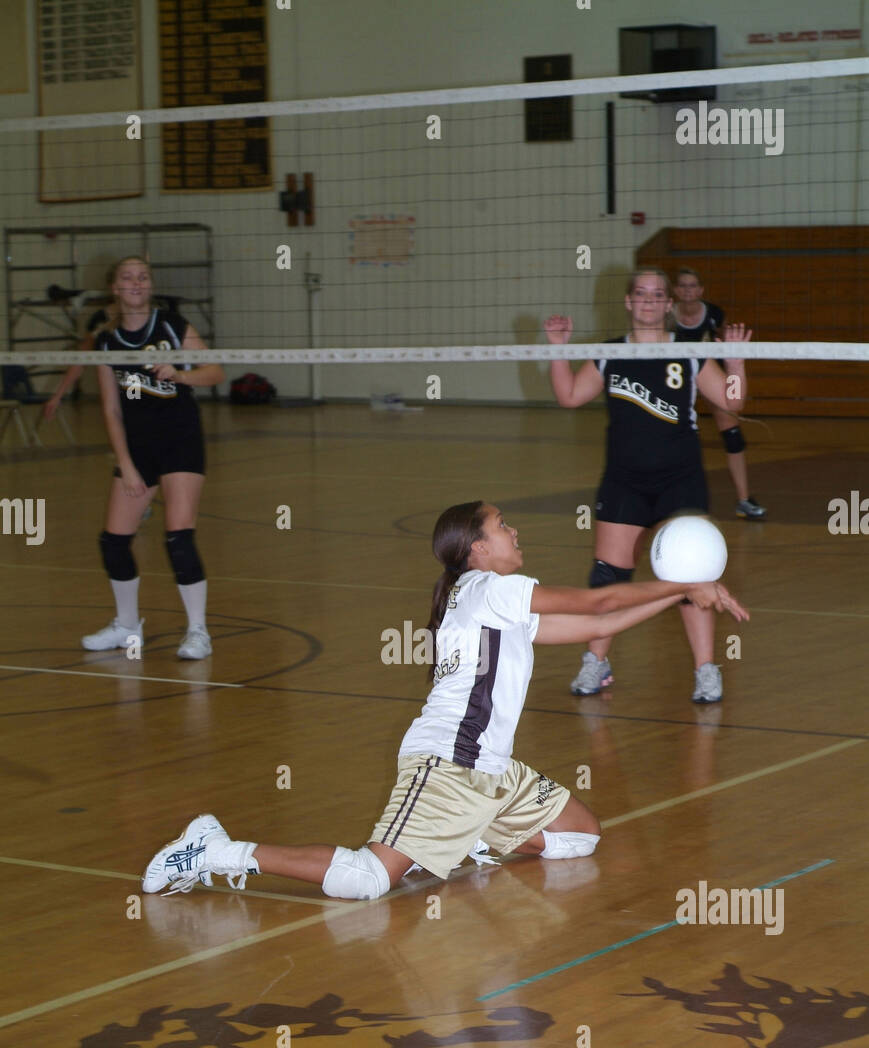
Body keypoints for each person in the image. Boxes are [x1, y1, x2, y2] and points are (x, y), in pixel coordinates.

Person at [142, 500, 748, 899]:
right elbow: (597, 605)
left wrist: (680, 599)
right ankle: (215, 849)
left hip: (490, 769)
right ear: (478, 549)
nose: (515, 531)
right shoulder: (488, 587)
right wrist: (681, 583)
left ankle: (467, 837)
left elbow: (593, 630)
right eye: (502, 525)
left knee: (577, 838)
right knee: (366, 879)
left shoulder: (492, 598)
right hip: (449, 765)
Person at [544, 267, 751, 703]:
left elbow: (731, 400)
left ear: (669, 305)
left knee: (692, 574)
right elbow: (570, 397)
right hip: (624, 480)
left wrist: (735, 363)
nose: (649, 301)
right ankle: (596, 664)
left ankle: (706, 670)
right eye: (642, 294)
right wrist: (558, 350)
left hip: (681, 480)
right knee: (608, 575)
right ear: (628, 301)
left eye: (658, 295)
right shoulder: (608, 353)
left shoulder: (689, 351)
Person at [83, 256, 224, 659]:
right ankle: (128, 626)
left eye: (142, 277)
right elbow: (110, 410)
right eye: (127, 277)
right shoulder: (106, 342)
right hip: (138, 448)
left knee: (178, 537)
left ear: (150, 285)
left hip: (181, 440)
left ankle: (198, 632)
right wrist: (125, 464)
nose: (135, 282)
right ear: (115, 287)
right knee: (113, 542)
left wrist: (181, 374)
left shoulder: (172, 326)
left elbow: (214, 371)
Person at [672, 266, 766, 521]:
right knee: (672, 434)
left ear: (700, 290)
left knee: (732, 435)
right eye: (683, 285)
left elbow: (726, 344)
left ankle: (744, 500)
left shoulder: (713, 314)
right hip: (675, 381)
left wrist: (732, 370)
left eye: (692, 286)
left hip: (707, 374)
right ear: (675, 290)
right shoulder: (667, 315)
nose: (688, 290)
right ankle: (670, 498)